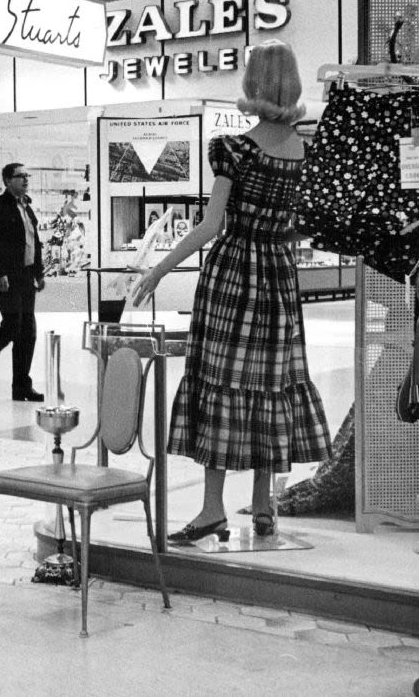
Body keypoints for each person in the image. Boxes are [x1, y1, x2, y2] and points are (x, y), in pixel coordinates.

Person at [131, 40, 332, 543]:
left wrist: (157, 270)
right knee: (271, 384)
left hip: (232, 277)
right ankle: (264, 505)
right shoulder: (305, 151)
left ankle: (211, 509)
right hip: (278, 278)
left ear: (253, 82)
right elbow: (307, 226)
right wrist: (277, 238)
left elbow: (210, 226)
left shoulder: (233, 149)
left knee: (219, 382)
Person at [0, 162, 46, 402]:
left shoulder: (27, 207)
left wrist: (39, 272)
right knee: (12, 326)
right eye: (20, 176)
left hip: (26, 277)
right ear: (7, 180)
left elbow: (34, 242)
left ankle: (21, 386)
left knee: (28, 332)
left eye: (27, 175)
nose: (25, 180)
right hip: (6, 277)